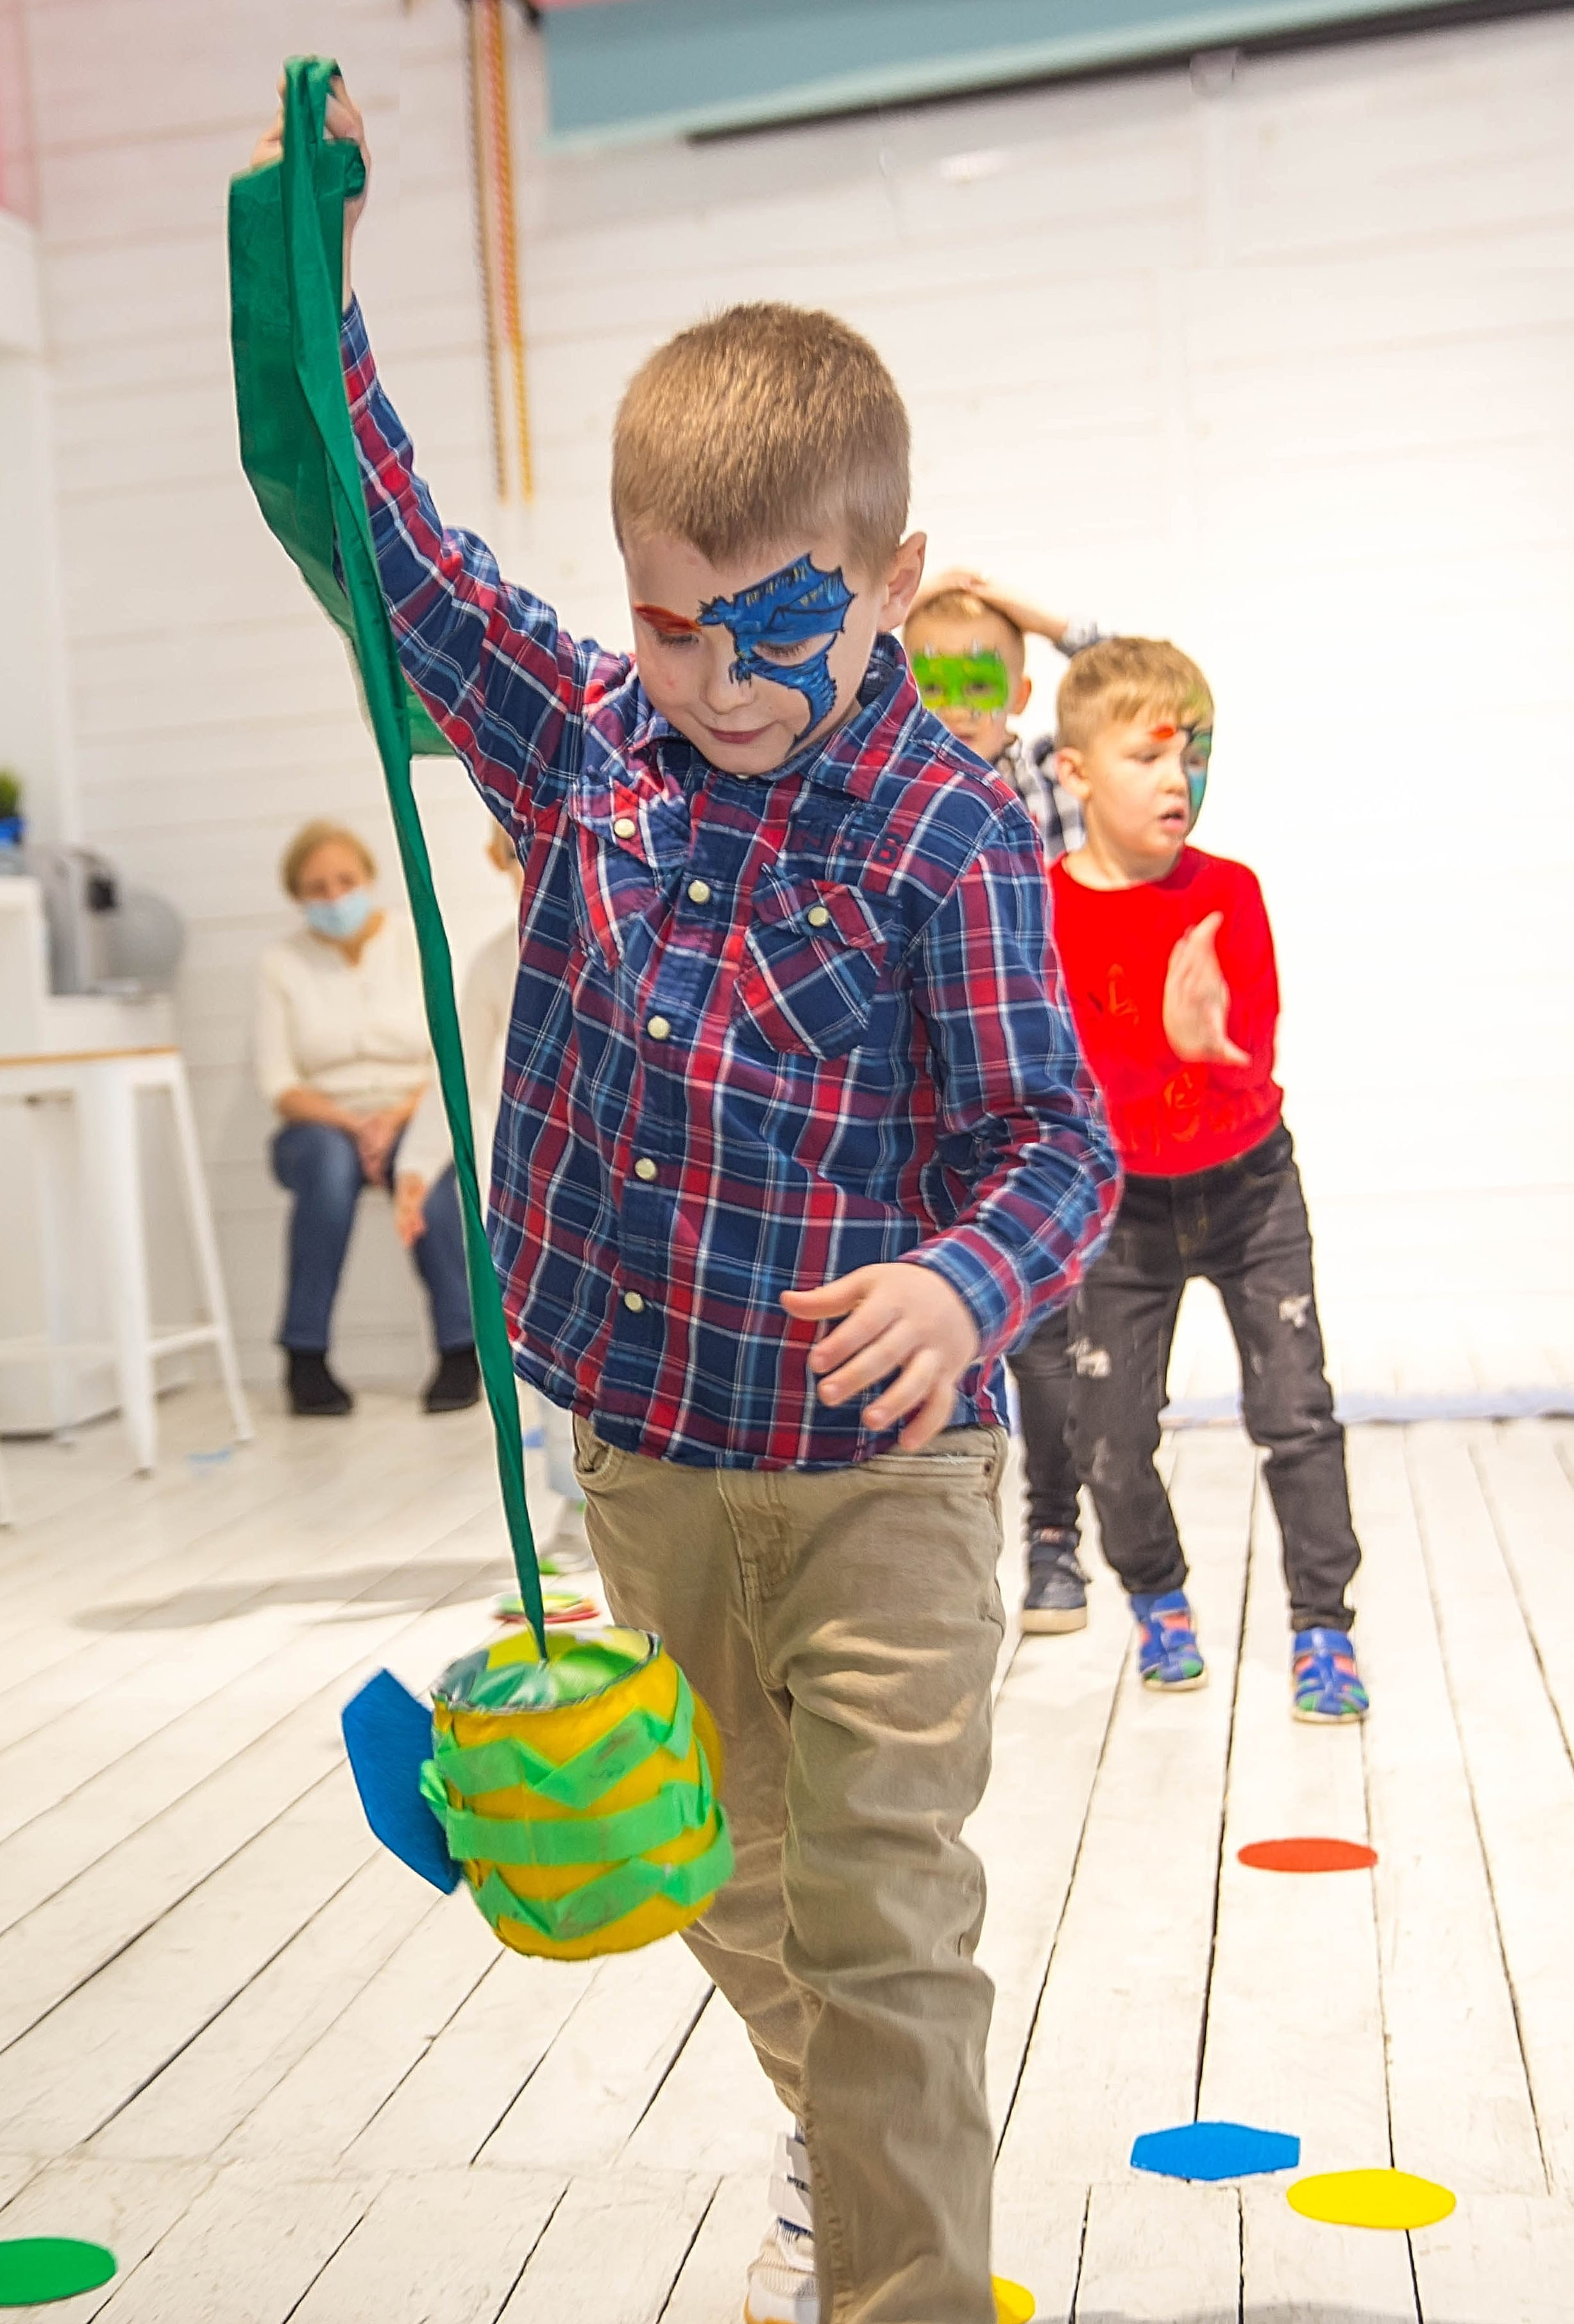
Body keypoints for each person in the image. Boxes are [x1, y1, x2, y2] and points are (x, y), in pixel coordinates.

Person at [250, 78, 1119, 2324]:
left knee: (887, 1910)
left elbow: (1061, 1142)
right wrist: (306, 275)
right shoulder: (587, 744)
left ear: (899, 587)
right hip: (642, 1452)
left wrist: (960, 1274)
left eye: (781, 628)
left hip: (886, 1480)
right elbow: (391, 551)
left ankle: (903, 2278)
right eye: (668, 627)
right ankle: (840, 2145)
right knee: (721, 1872)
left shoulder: (946, 833)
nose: (718, 684)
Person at [1048, 636, 1368, 1722]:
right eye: (1143, 756)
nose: (1173, 779)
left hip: (1245, 1188)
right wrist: (1162, 1043)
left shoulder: (1228, 890)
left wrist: (1209, 1042)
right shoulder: (1043, 909)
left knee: (1294, 1410)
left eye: (1186, 755)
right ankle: (1158, 1597)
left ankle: (1321, 1626)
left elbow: (1252, 1046)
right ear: (1074, 770)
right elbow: (1068, 1081)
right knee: (1110, 1434)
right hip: (1121, 1209)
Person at [902, 574, 1107, 1635]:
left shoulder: (1042, 784)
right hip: (929, 1112)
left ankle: (1050, 1538)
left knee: (1041, 1341)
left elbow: (1128, 677)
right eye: (931, 677)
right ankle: (952, 1546)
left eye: (980, 677)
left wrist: (1018, 608)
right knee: (948, 1333)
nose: (957, 697)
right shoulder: (890, 791)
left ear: (1019, 685)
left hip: (1029, 1102)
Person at [394, 823, 594, 1573]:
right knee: (553, 1350)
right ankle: (577, 1511)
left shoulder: (635, 942)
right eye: (518, 852)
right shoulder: (493, 966)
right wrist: (417, 1167)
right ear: (496, 861)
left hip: (638, 1187)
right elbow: (462, 1077)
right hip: (540, 1190)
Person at [255, 818, 480, 1418]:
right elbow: (279, 1082)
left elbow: (454, 1056)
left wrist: (398, 1118)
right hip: (321, 1125)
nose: (334, 898)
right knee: (326, 1172)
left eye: (344, 881)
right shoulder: (283, 963)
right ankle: (306, 1357)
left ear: (369, 879)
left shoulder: (415, 941)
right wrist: (358, 1127)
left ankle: (461, 1348)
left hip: (413, 1108)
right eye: (317, 888)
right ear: (298, 897)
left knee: (425, 1177)